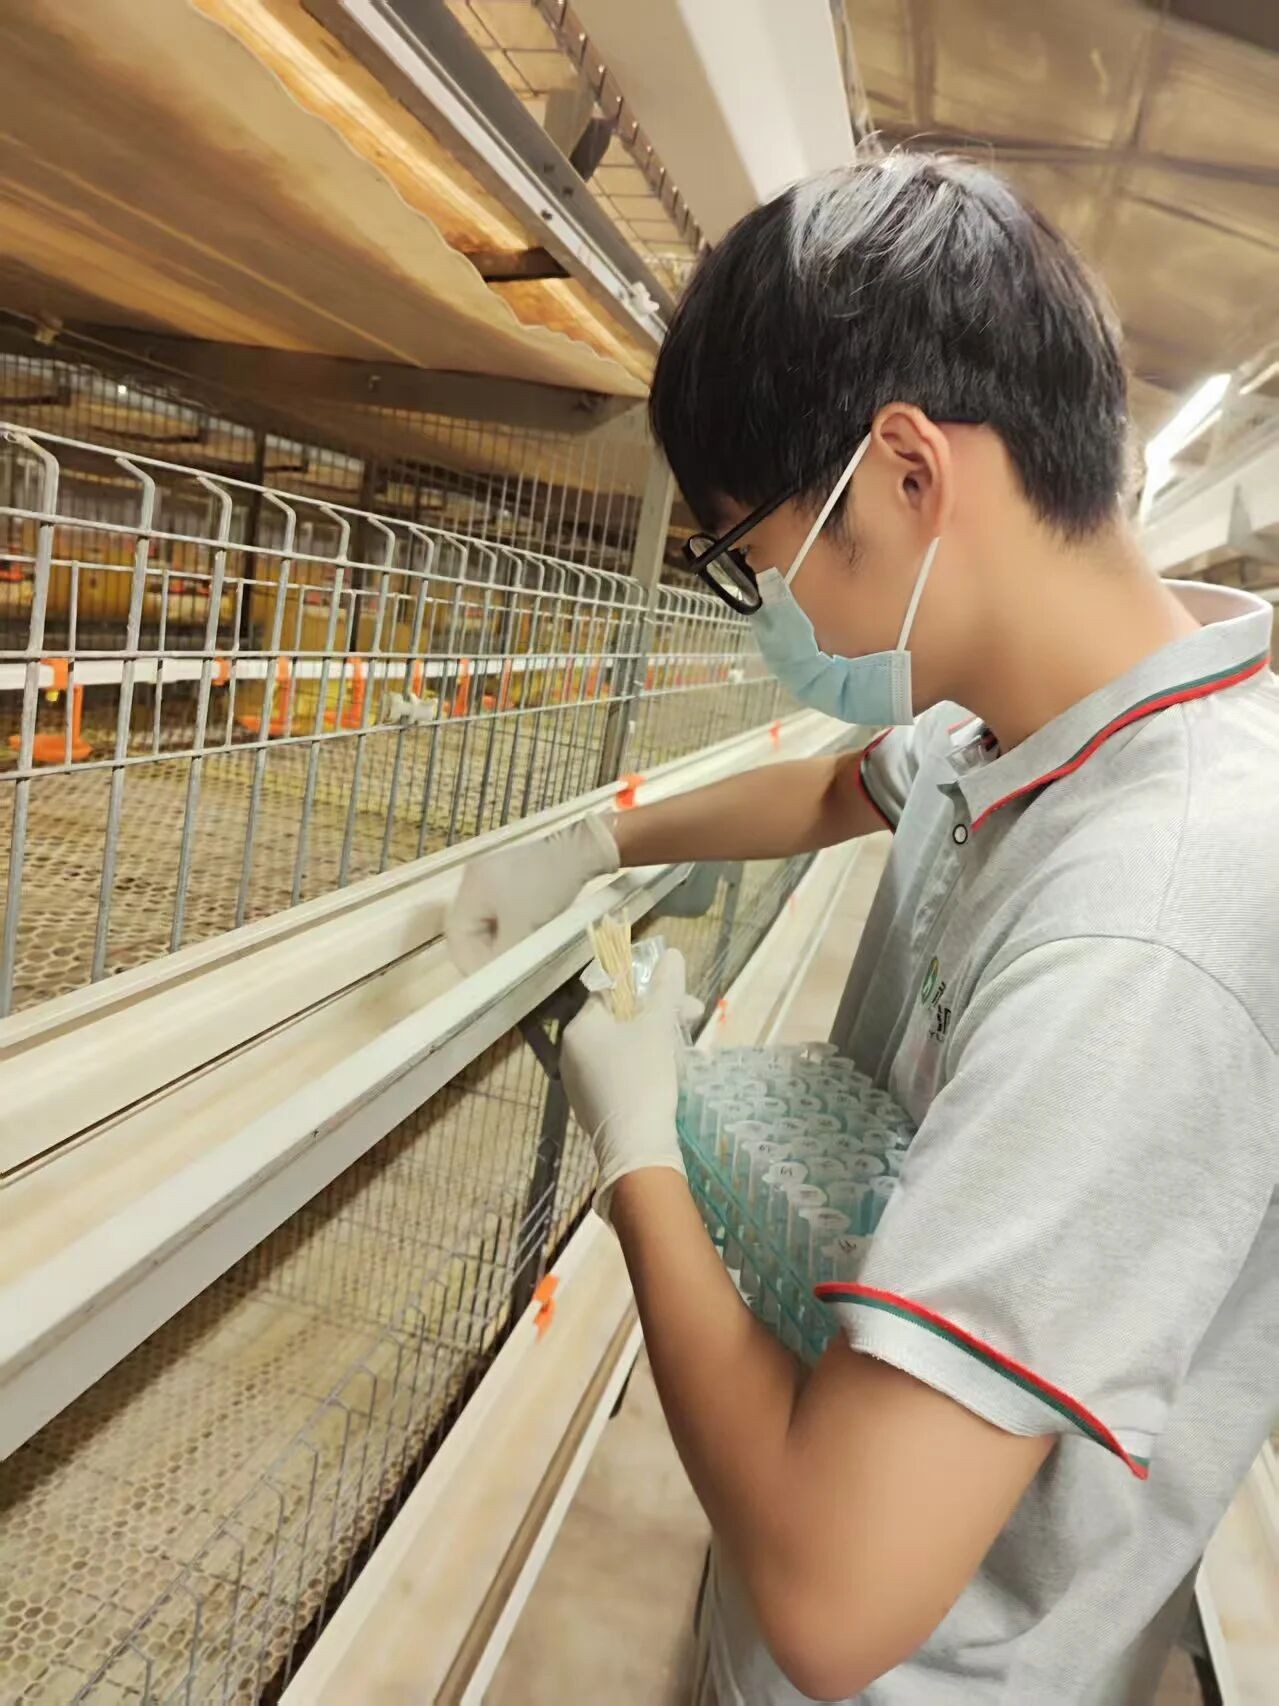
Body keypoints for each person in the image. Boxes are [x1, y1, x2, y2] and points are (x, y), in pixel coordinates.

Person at [446, 152, 1279, 1703]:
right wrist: (600, 840)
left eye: (752, 558)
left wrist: (638, 1158)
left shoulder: (1144, 940)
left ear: (905, 474)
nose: (769, 614)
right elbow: (843, 787)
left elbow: (835, 1598)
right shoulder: (1022, 722)